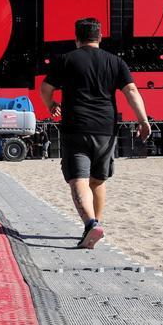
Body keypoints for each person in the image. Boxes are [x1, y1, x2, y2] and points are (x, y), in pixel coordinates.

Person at [40, 17, 151, 249]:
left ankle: (90, 223)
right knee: (98, 181)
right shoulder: (115, 62)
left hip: (76, 127)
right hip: (106, 129)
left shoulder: (66, 60)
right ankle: (96, 224)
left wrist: (51, 104)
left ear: (76, 38)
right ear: (100, 37)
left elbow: (46, 88)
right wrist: (142, 119)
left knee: (77, 179)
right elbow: (131, 90)